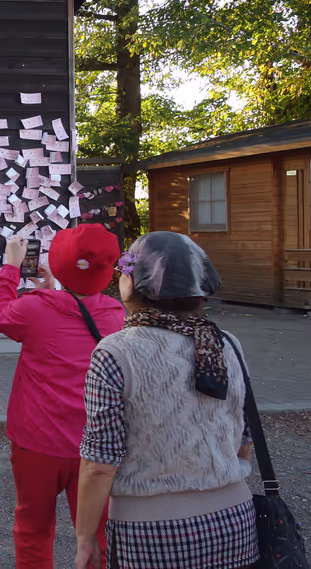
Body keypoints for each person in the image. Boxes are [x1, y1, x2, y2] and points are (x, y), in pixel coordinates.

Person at [74, 232, 258, 569]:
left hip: (149, 533)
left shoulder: (116, 351)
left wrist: (86, 537)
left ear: (134, 284)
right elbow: (243, 438)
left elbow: (100, 464)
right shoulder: (227, 343)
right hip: (235, 525)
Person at [0, 225, 124, 568]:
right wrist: (54, 291)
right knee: (97, 535)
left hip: (36, 441)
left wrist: (11, 269)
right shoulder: (118, 316)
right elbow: (78, 310)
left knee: (33, 529)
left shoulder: (34, 309)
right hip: (97, 447)